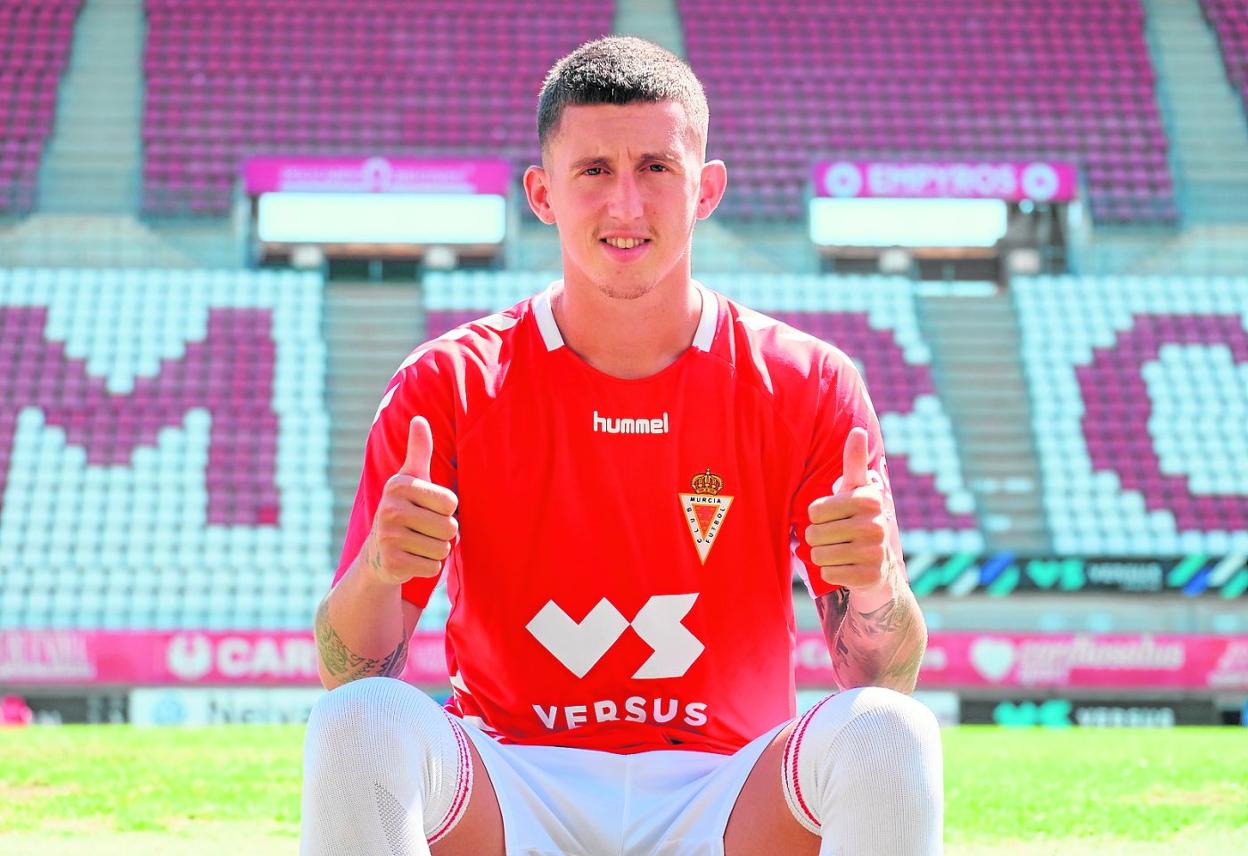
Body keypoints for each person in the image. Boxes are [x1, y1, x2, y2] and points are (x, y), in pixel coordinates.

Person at [301, 35, 943, 856]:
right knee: (357, 722)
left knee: (892, 730)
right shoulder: (448, 386)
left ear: (706, 188)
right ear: (543, 192)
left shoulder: (808, 383)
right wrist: (382, 570)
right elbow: (349, 672)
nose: (627, 206)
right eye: (594, 170)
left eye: (656, 169)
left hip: (726, 786)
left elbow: (880, 678)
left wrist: (876, 581)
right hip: (513, 780)